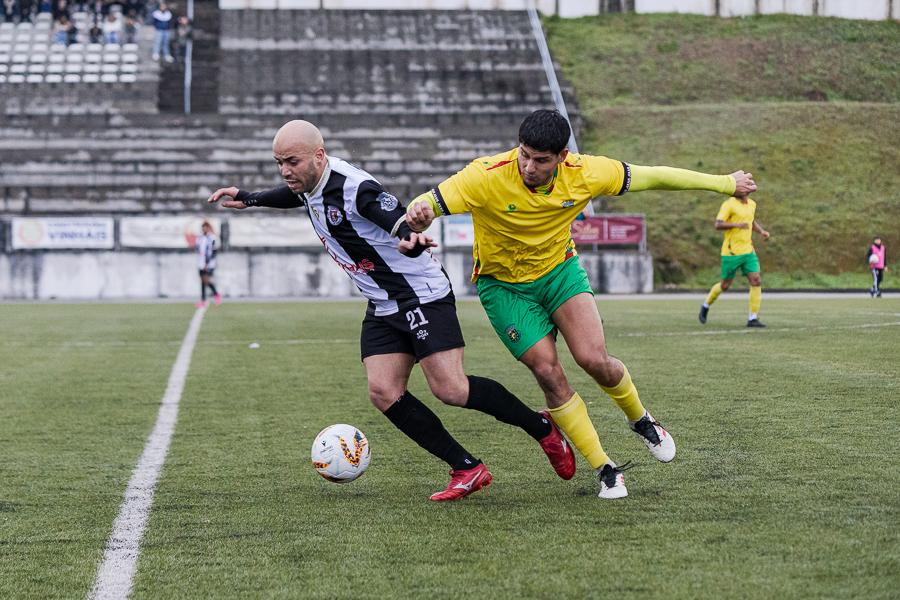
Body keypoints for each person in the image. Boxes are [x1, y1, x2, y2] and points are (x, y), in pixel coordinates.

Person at [207, 120, 575, 502]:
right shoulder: (309, 183)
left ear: (319, 155)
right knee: (383, 391)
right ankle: (466, 467)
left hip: (419, 293)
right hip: (383, 302)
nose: (285, 171)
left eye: (292, 162)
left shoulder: (353, 187)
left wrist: (409, 238)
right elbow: (294, 195)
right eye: (279, 162)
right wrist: (250, 198)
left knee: (451, 389)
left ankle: (541, 427)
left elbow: (393, 215)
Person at [406, 109, 758, 499]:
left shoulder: (588, 172)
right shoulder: (486, 175)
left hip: (559, 272)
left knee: (594, 359)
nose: (528, 167)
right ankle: (605, 468)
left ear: (562, 156)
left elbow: (654, 176)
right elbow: (429, 202)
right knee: (547, 371)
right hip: (504, 287)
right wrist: (418, 216)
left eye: (541, 160)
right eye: (524, 155)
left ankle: (641, 419)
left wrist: (725, 183)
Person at [698, 190, 770, 327]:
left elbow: (751, 221)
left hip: (748, 251)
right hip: (731, 252)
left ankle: (753, 318)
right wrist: (736, 225)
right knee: (724, 285)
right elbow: (718, 224)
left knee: (756, 280)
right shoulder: (729, 204)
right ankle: (706, 305)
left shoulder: (752, 204)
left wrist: (761, 231)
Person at [195, 221, 221, 308]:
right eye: (203, 228)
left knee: (206, 280)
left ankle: (216, 294)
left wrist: (207, 262)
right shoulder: (200, 238)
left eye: (205, 227)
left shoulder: (212, 238)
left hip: (209, 264)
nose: (204, 229)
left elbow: (214, 251)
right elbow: (198, 249)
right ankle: (203, 300)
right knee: (202, 282)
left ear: (208, 228)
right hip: (201, 263)